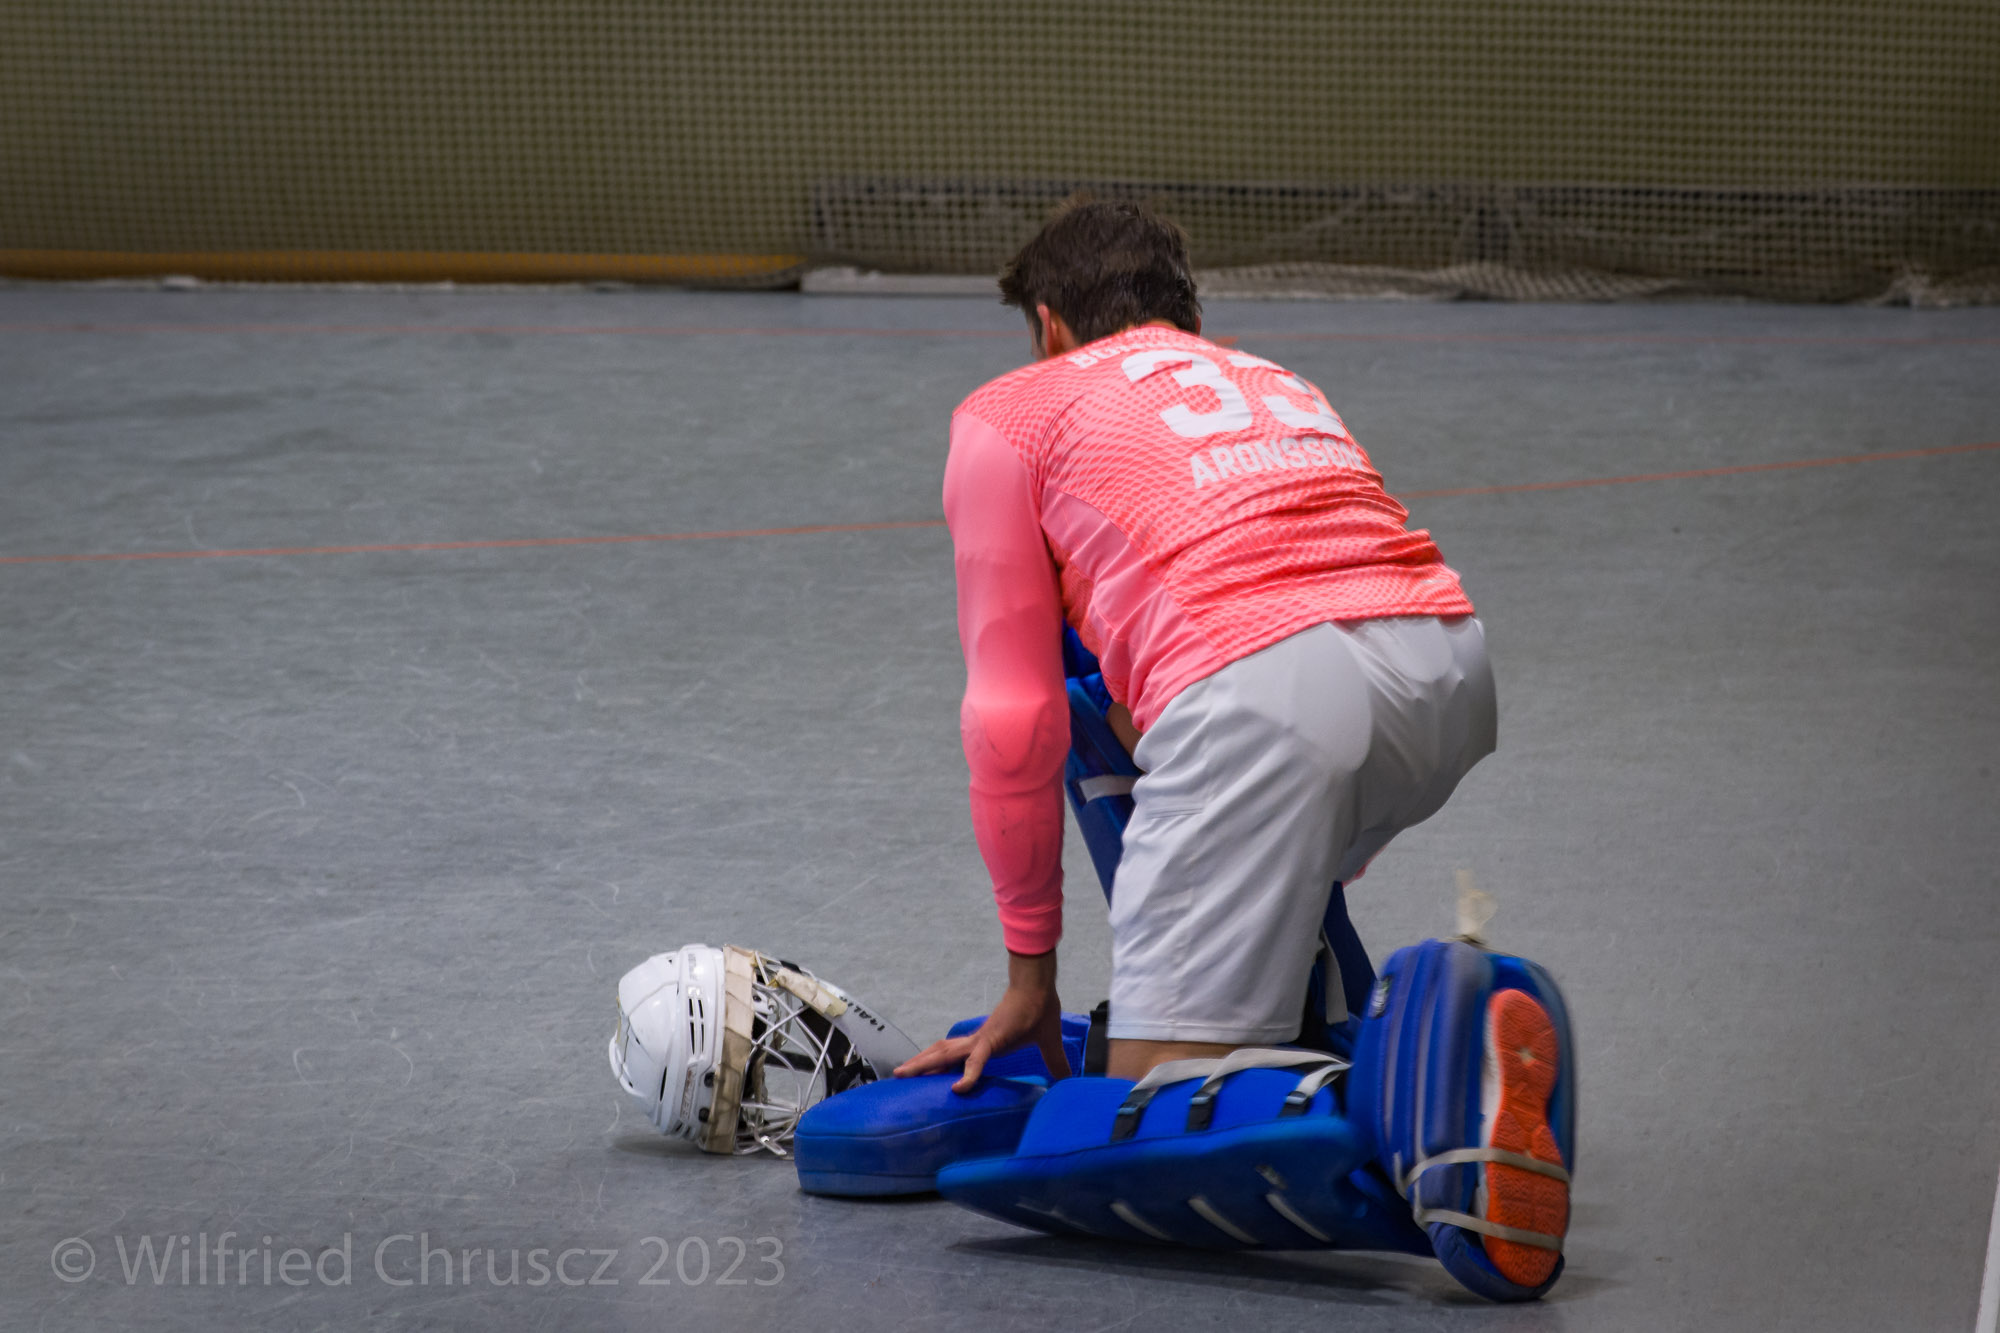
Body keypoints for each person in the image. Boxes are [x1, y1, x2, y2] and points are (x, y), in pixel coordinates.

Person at [895, 200, 1496, 1090]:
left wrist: (1030, 979)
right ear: (1191, 320)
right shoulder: (1273, 378)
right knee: (1122, 686)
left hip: (1266, 700)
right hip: (1445, 668)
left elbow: (1012, 719)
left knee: (1156, 1101)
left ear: (1049, 327)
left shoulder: (1010, 410)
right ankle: (1296, 981)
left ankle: (1428, 1088)